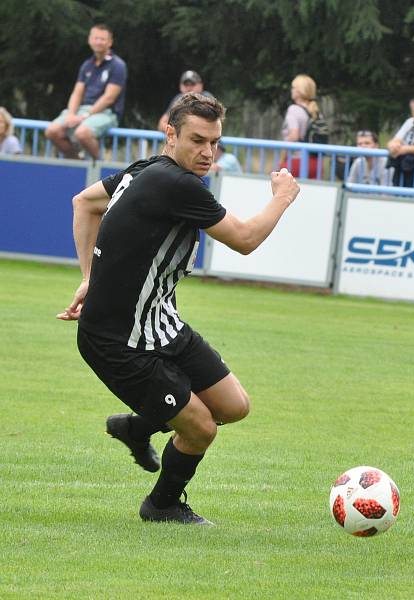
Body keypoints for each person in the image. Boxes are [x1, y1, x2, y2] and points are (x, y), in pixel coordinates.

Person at [56, 93, 300, 525]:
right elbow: (244, 239)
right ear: (170, 133)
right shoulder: (176, 183)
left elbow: (85, 203)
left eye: (215, 143)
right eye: (197, 140)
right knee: (201, 427)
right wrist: (282, 197)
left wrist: (88, 278)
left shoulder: (146, 169)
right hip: (116, 341)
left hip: (160, 323)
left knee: (233, 406)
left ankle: (138, 426)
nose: (207, 153)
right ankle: (162, 505)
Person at [44, 24, 127, 160]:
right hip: (82, 111)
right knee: (52, 131)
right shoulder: (87, 65)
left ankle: (100, 168)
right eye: (95, 38)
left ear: (110, 42)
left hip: (106, 113)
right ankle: (78, 163)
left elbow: (109, 98)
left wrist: (84, 116)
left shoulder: (118, 65)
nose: (98, 42)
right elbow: (77, 93)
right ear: (89, 40)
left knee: (82, 133)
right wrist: (71, 114)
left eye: (102, 39)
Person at [280, 74, 320, 179]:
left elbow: (294, 135)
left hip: (296, 162)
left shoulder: (294, 109)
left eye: (293, 88)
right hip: (316, 164)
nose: (291, 90)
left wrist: (282, 157)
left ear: (300, 91)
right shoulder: (315, 110)